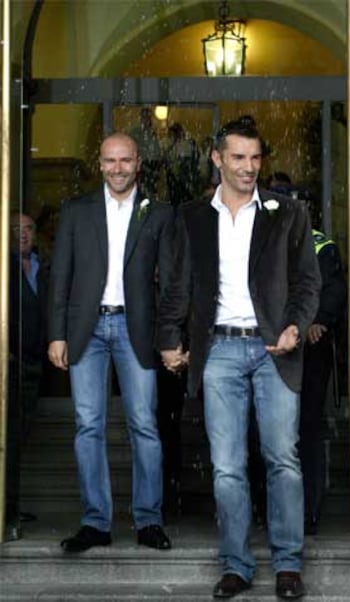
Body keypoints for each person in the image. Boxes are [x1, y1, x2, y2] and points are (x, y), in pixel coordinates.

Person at [159, 118, 321, 599]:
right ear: (217, 158)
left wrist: (295, 324)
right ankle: (236, 565)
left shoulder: (288, 213)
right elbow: (178, 285)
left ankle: (288, 565)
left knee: (283, 460)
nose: (249, 168)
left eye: (255, 158)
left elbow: (308, 281)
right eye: (238, 158)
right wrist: (170, 336)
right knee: (227, 465)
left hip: (275, 349)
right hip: (220, 350)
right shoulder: (191, 216)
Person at [47, 132, 174, 553]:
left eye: (125, 160)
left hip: (136, 329)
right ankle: (95, 522)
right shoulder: (76, 211)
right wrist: (57, 334)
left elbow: (172, 282)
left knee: (144, 425)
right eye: (109, 161)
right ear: (99, 164)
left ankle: (149, 521)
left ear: (139, 163)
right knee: (88, 425)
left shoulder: (158, 213)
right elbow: (60, 277)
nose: (117, 168)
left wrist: (171, 336)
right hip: (87, 330)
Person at [299, 225, 347, 535]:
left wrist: (318, 320)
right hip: (273, 347)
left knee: (307, 428)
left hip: (310, 350)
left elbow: (334, 290)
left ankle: (307, 511)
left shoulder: (320, 245)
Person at [6, 213, 49, 540]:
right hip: (8, 362)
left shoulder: (43, 268)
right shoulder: (3, 268)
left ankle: (10, 505)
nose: (22, 235)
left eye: (28, 229)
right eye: (15, 230)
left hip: (34, 362)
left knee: (20, 435)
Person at [129, 107, 162, 198]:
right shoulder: (136, 132)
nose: (147, 119)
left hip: (152, 164)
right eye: (145, 116)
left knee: (151, 192)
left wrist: (157, 167)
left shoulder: (153, 132)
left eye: (148, 116)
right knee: (141, 191)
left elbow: (157, 149)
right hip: (142, 165)